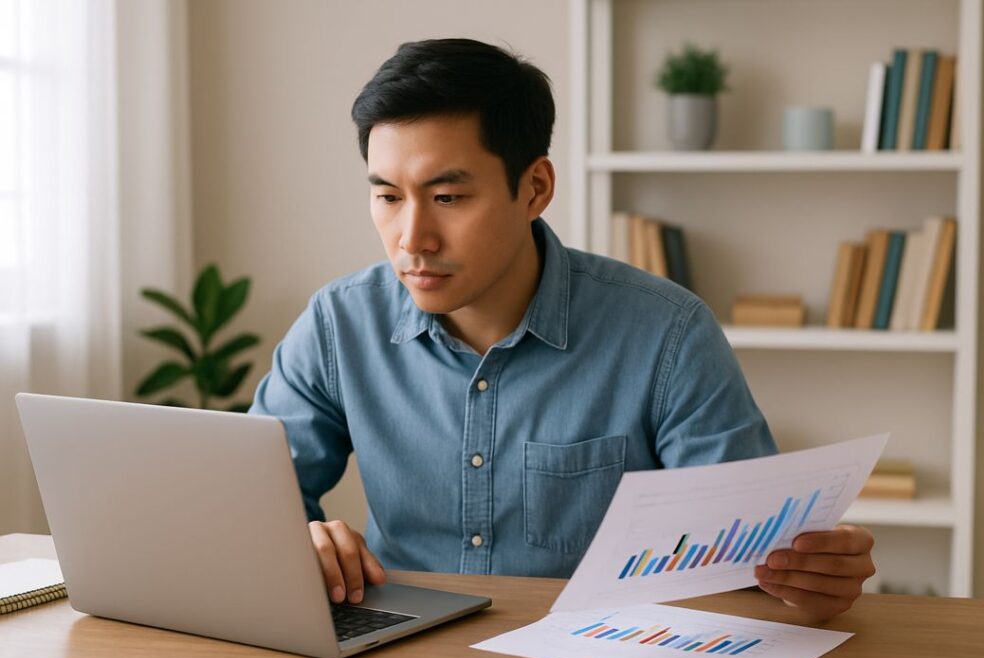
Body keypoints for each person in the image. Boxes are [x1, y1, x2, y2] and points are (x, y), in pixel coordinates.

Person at [249, 38, 875, 622]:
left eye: (447, 198)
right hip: (404, 652)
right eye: (388, 197)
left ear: (535, 188)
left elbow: (746, 555)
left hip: (598, 657)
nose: (412, 239)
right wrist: (294, 541)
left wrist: (808, 573)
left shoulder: (668, 335)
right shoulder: (339, 326)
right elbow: (242, 505)